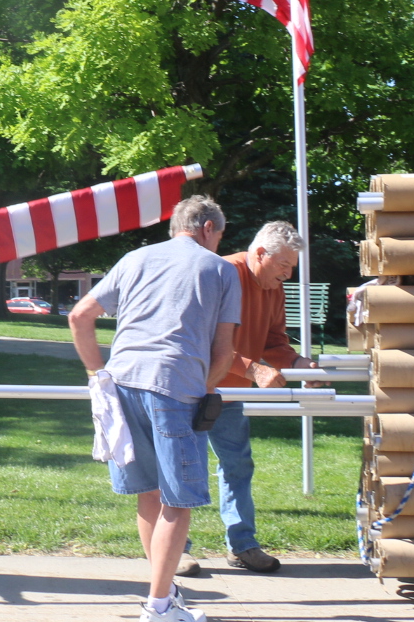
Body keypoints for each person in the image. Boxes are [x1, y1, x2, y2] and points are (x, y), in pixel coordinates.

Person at [69, 197, 239, 622]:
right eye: (220, 233)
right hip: (174, 390)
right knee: (177, 502)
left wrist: (97, 375)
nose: (219, 241)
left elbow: (79, 316)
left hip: (122, 385)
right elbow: (225, 352)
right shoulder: (221, 270)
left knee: (148, 495)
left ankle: (164, 595)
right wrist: (202, 387)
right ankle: (158, 608)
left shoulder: (134, 258)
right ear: (205, 226)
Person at [199, 220, 319, 574]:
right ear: (260, 254)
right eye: (284, 266)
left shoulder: (274, 289)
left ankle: (243, 546)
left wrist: (299, 365)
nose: (287, 275)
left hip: (231, 396)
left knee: (237, 466)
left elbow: (274, 343)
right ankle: (178, 551)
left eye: (291, 268)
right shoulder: (222, 274)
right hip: (193, 388)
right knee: (183, 467)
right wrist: (255, 370)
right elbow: (203, 341)